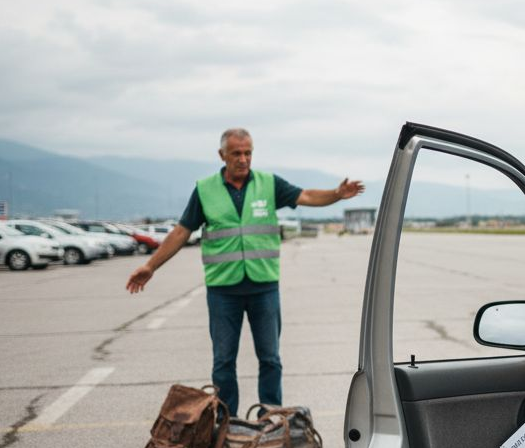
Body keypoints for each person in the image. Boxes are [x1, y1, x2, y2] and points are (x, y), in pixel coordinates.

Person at [127, 128, 364, 416]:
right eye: (236, 153)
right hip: (223, 291)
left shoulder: (268, 183)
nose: (243, 159)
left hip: (263, 288)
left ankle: (270, 419)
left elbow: (307, 196)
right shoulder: (205, 189)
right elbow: (181, 231)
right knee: (223, 362)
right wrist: (151, 266)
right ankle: (228, 422)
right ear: (222, 155)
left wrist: (337, 195)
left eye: (248, 152)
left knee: (270, 359)